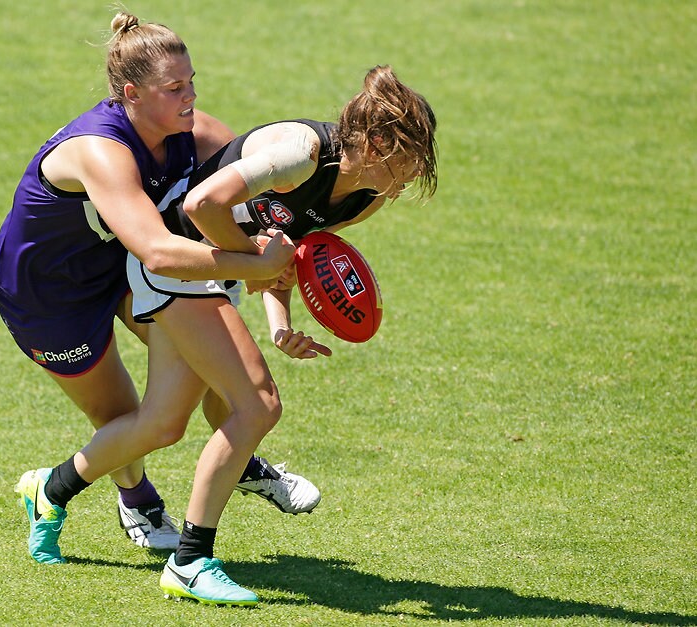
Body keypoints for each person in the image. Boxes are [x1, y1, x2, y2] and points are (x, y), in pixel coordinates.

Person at [39, 64, 438, 606]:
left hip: (218, 272)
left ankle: (50, 492)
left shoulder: (367, 196)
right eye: (412, 156)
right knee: (257, 405)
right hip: (178, 263)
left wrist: (281, 325)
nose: (417, 172)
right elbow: (200, 206)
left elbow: (289, 251)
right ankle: (191, 560)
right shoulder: (300, 153)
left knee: (161, 424)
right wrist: (252, 262)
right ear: (376, 141)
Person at [0, 12, 320, 557]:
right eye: (173, 88)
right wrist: (252, 267)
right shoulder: (101, 149)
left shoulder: (197, 133)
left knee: (204, 372)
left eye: (191, 83)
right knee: (124, 418)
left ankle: (242, 459)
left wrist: (278, 308)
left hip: (122, 270)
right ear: (131, 94)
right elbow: (160, 249)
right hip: (48, 293)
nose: (189, 98)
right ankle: (117, 498)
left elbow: (263, 219)